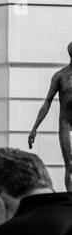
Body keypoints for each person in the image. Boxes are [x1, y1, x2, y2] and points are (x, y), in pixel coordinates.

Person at [27, 42, 72, 192]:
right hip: (66, 123)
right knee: (70, 165)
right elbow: (47, 102)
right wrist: (34, 128)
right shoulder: (60, 76)